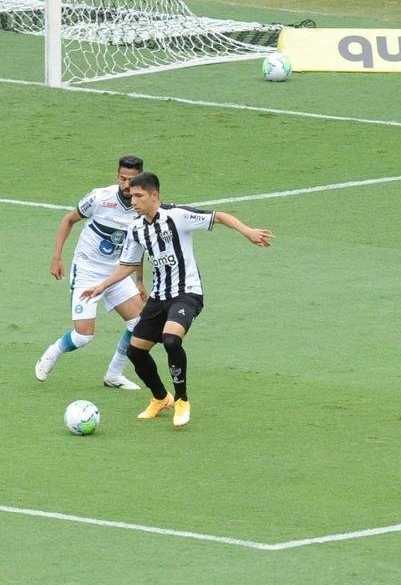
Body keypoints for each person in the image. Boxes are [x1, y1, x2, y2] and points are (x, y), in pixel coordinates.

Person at [80, 172, 274, 428]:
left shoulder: (177, 216)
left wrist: (247, 231)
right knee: (135, 352)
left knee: (171, 340)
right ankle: (160, 397)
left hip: (187, 293)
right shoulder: (136, 228)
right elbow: (128, 264)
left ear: (154, 196)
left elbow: (218, 216)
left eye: (139, 196)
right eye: (132, 196)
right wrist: (102, 286)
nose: (133, 200)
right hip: (159, 297)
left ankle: (182, 400)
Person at [36, 155, 147, 390]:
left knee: (139, 324)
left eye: (132, 180)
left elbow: (137, 247)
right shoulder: (99, 198)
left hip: (117, 273)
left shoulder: (142, 207)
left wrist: (139, 280)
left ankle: (114, 375)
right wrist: (57, 257)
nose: (126, 185)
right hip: (87, 271)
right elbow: (69, 220)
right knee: (83, 336)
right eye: (122, 179)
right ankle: (54, 351)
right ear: (117, 176)